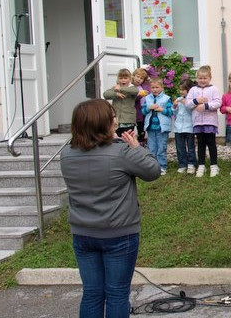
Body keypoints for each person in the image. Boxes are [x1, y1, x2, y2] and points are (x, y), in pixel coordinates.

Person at [61, 99, 161, 317]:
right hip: (119, 234)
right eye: (112, 116)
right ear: (103, 123)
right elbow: (152, 171)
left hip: (83, 233)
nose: (116, 120)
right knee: (116, 294)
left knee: (92, 292)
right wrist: (136, 147)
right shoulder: (121, 153)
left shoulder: (67, 154)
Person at [186, 65, 222, 178]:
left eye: (205, 78)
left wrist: (206, 106)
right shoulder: (193, 90)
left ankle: (214, 165)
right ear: (197, 78)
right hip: (197, 122)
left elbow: (218, 103)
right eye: (200, 78)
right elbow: (187, 104)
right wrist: (196, 101)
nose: (202, 80)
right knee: (200, 144)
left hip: (210, 121)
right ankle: (201, 165)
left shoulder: (213, 89)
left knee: (211, 143)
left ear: (209, 78)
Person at [141, 78, 173, 175]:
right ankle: (153, 166)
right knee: (151, 148)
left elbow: (170, 112)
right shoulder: (147, 98)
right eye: (153, 87)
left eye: (157, 87)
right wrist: (148, 108)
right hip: (151, 128)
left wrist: (161, 109)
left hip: (162, 129)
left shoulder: (166, 98)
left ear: (161, 88)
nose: (154, 89)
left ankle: (162, 166)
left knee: (161, 148)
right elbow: (143, 112)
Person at [103, 68, 138, 137]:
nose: (123, 80)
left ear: (130, 79)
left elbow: (135, 91)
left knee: (127, 138)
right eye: (121, 78)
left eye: (125, 78)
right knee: (116, 138)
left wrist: (120, 89)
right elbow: (105, 94)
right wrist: (116, 94)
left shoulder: (132, 87)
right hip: (117, 120)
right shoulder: (115, 88)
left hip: (128, 120)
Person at [173, 80, 197, 174]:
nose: (181, 92)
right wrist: (174, 106)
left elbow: (193, 112)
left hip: (189, 127)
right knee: (180, 147)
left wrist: (186, 103)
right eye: (180, 90)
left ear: (189, 90)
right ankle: (182, 164)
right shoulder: (179, 99)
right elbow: (174, 113)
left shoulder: (192, 100)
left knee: (191, 147)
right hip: (178, 128)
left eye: (183, 90)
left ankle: (191, 164)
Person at [133, 67, 151, 145]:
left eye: (141, 78)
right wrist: (140, 95)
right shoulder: (131, 87)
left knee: (143, 127)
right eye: (137, 76)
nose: (139, 79)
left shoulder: (143, 86)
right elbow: (133, 99)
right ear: (133, 76)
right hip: (137, 112)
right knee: (139, 126)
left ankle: (142, 141)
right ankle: (138, 142)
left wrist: (146, 69)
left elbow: (152, 76)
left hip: (144, 110)